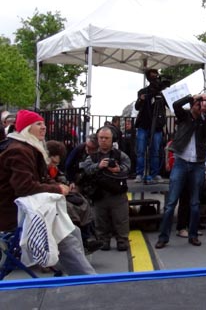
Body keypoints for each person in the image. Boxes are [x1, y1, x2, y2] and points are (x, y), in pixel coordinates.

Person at [0, 110, 96, 275]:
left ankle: (74, 276)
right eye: (38, 124)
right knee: (65, 239)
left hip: (23, 210)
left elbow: (40, 179)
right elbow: (24, 187)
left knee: (74, 231)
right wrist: (57, 188)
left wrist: (58, 185)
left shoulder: (27, 147)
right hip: (12, 214)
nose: (44, 127)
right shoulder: (19, 150)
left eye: (43, 123)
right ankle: (89, 282)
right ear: (26, 128)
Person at [155, 94, 206, 249]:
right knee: (171, 203)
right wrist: (191, 98)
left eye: (200, 104)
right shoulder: (184, 116)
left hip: (198, 164)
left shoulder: (204, 119)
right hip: (181, 162)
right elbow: (175, 105)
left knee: (195, 203)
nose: (198, 107)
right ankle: (163, 237)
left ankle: (193, 235)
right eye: (197, 105)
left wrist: (204, 114)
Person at [84, 127, 131, 251]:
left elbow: (128, 166)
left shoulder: (120, 154)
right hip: (99, 193)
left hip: (117, 193)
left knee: (121, 219)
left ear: (112, 139)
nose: (104, 140)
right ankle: (103, 240)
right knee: (100, 219)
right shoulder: (92, 157)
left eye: (106, 138)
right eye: (101, 138)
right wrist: (98, 166)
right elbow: (86, 170)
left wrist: (118, 169)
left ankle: (122, 240)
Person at [134, 68, 168, 184]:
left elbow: (169, 105)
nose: (155, 78)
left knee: (155, 150)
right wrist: (141, 99)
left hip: (157, 126)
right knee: (141, 150)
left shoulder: (162, 93)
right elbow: (137, 107)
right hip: (144, 124)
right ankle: (139, 173)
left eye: (156, 76)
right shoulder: (143, 91)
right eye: (152, 76)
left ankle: (154, 174)